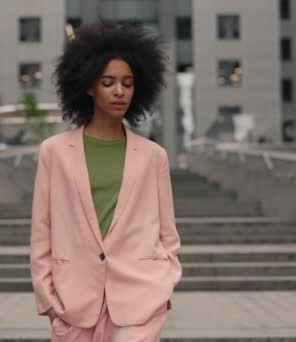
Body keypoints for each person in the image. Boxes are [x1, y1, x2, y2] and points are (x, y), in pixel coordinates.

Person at [30, 21, 182, 342]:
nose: (119, 91)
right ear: (88, 86)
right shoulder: (54, 152)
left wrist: (163, 284)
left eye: (127, 83)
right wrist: (49, 300)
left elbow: (168, 234)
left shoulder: (154, 156)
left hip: (139, 298)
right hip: (74, 301)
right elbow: (42, 232)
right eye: (108, 82)